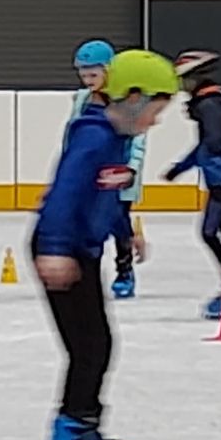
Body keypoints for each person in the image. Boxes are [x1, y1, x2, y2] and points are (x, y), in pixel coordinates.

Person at [33, 50, 177, 440]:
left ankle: (87, 432)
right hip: (63, 250)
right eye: (154, 111)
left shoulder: (114, 139)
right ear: (133, 98)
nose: (154, 122)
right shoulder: (92, 138)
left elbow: (108, 194)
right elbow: (64, 194)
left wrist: (125, 230)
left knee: (100, 343)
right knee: (88, 347)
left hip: (84, 250)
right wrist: (56, 249)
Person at [162, 50, 221, 320]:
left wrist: (186, 166)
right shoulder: (210, 104)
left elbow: (212, 142)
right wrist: (179, 168)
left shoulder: (209, 106)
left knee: (213, 232)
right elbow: (208, 144)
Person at [69, 40, 146, 299]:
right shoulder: (81, 99)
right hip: (89, 172)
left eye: (93, 74)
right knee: (91, 224)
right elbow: (74, 132)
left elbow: (137, 140)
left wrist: (131, 169)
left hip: (119, 174)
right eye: (83, 75)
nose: (88, 80)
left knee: (118, 222)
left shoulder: (126, 99)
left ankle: (124, 270)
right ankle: (90, 274)